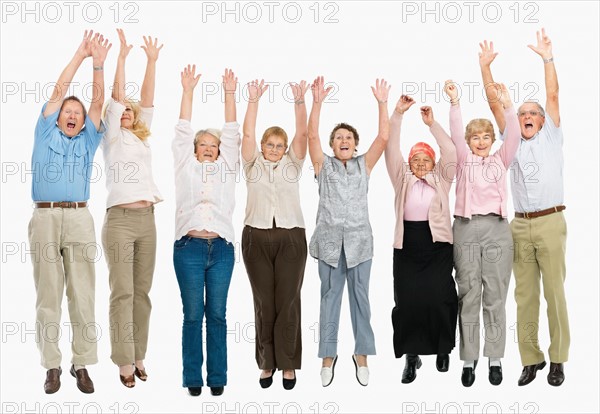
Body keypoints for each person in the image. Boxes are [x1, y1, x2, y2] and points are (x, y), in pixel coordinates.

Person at [479, 29, 569, 387]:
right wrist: (485, 69)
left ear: (543, 121)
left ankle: (559, 359)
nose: (527, 115)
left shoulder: (551, 134)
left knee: (555, 293)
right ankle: (531, 359)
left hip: (550, 221)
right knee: (525, 295)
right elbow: (494, 105)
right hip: (519, 225)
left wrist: (547, 58)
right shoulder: (512, 138)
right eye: (523, 113)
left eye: (533, 113)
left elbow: (552, 93)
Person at [29, 30, 111, 394]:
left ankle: (82, 363)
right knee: (48, 295)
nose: (73, 114)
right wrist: (79, 53)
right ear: (59, 117)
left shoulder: (88, 139)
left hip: (79, 218)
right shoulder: (45, 132)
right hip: (45, 218)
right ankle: (51, 366)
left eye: (77, 113)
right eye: (68, 112)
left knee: (83, 293)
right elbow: (60, 89)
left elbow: (98, 102)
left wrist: (97, 64)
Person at [308, 76, 390, 387]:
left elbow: (383, 137)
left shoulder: (363, 166)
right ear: (333, 145)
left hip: (360, 245)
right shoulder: (323, 166)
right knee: (329, 299)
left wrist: (382, 103)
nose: (344, 141)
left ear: (355, 144)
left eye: (349, 138)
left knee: (361, 299)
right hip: (329, 245)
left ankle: (362, 355)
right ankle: (328, 357)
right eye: (339, 137)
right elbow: (311, 135)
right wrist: (317, 102)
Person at [445, 79, 519, 387]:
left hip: (497, 229)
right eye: (475, 137)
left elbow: (513, 135)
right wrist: (454, 102)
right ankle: (468, 359)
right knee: (469, 294)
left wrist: (508, 105)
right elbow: (454, 134)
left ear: (492, 139)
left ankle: (495, 358)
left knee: (495, 295)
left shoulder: (501, 160)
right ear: (469, 141)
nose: (481, 141)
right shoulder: (463, 160)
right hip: (465, 227)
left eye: (486, 136)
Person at [100, 29, 163, 388]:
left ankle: (139, 353)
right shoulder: (111, 136)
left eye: (130, 111)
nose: (125, 112)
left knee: (142, 292)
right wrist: (122, 58)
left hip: (147, 219)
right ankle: (123, 360)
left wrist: (151, 61)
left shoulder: (139, 136)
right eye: (121, 110)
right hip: (120, 220)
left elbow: (149, 100)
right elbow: (118, 96)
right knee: (121, 291)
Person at [172, 65, 240, 397]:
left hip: (221, 250)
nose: (210, 148)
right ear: (195, 150)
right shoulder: (185, 166)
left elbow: (232, 132)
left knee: (216, 314)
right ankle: (192, 379)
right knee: (192, 315)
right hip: (189, 249)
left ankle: (217, 377)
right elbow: (183, 131)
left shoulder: (228, 168)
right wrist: (188, 91)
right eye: (204, 145)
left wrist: (229, 94)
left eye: (214, 145)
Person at [384, 96, 458, 384]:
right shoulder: (402, 178)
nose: (421, 163)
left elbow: (450, 149)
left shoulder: (442, 178)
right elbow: (391, 148)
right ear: (410, 163)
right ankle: (411, 357)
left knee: (440, 298)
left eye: (426, 159)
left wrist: (432, 125)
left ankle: (442, 349)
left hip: (437, 245)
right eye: (416, 159)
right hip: (408, 245)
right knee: (408, 301)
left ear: (433, 163)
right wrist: (398, 114)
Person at [241, 78, 309, 391]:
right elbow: (247, 134)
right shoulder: (252, 164)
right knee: (263, 303)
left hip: (291, 238)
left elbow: (303, 135)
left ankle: (289, 364)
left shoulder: (292, 166)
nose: (274, 149)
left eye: (279, 146)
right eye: (270, 144)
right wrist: (253, 100)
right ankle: (267, 362)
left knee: (288, 301)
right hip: (256, 237)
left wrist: (300, 102)